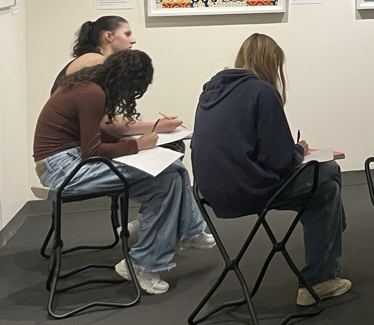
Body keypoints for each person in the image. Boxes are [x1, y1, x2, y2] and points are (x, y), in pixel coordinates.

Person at [34, 50, 212, 295]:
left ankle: (152, 256)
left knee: (168, 179)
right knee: (172, 170)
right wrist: (138, 145)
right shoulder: (91, 93)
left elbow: (98, 136)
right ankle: (179, 238)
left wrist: (139, 141)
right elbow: (92, 150)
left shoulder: (90, 84)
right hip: (62, 169)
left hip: (67, 161)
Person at [192, 34, 349, 306]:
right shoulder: (262, 92)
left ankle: (330, 242)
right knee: (329, 177)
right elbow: (279, 162)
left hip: (210, 191)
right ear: (272, 63)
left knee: (326, 185)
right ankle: (320, 277)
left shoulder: (211, 90)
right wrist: (299, 149)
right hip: (248, 189)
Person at [51, 16, 136, 95]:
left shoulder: (91, 58)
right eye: (127, 34)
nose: (133, 40)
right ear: (109, 36)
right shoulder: (95, 60)